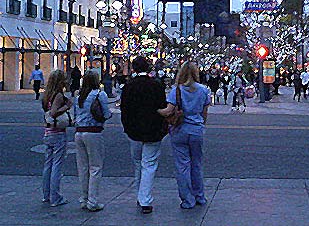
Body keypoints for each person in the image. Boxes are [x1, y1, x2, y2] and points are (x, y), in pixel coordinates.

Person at [158, 61, 211, 209]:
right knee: (197, 164)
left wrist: (155, 110)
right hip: (197, 130)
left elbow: (168, 111)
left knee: (182, 166)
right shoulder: (204, 90)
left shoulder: (176, 91)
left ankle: (188, 200)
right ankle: (199, 196)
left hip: (180, 130)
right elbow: (204, 114)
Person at [120, 56, 168, 214]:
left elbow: (124, 110)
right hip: (153, 130)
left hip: (134, 131)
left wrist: (127, 127)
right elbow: (162, 107)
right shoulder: (156, 85)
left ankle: (140, 195)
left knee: (138, 163)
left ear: (133, 68)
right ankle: (145, 199)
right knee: (149, 165)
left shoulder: (129, 87)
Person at [74, 70, 112, 211]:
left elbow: (75, 115)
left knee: (83, 168)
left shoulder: (79, 96)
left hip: (79, 132)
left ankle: (84, 199)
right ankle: (93, 201)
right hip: (94, 132)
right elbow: (106, 114)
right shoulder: (99, 94)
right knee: (95, 167)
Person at [41, 69, 72, 207]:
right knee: (57, 165)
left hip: (48, 132)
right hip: (58, 132)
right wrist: (66, 106)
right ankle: (55, 197)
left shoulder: (47, 95)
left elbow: (47, 111)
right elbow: (54, 112)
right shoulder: (58, 95)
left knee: (48, 164)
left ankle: (46, 195)